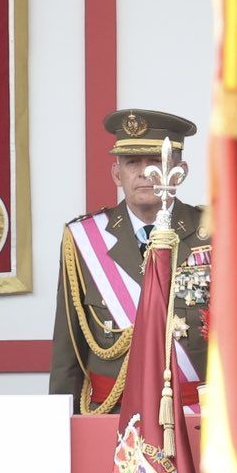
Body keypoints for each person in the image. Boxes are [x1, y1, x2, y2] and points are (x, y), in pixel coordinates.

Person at [50, 109, 212, 413]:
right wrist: (64, 427)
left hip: (196, 416)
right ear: (117, 173)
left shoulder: (215, 233)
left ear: (181, 170)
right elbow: (67, 352)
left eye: (156, 162)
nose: (144, 173)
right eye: (132, 163)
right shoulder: (83, 239)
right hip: (112, 415)